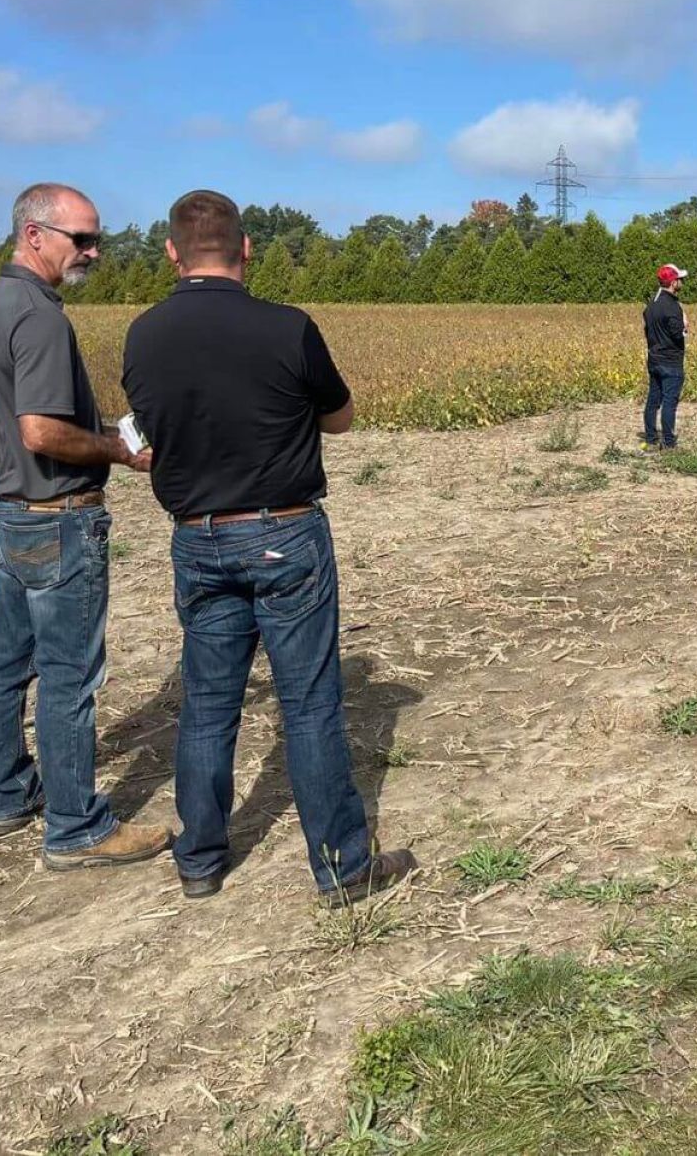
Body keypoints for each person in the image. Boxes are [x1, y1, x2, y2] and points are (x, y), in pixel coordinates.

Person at [122, 189, 415, 904]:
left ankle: (198, 858)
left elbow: (143, 432)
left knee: (208, 703)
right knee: (310, 704)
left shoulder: (144, 334)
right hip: (284, 531)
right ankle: (342, 866)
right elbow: (339, 418)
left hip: (197, 538)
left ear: (171, 252)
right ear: (246, 248)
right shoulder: (288, 328)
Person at [0, 182, 172, 871]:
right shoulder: (42, 317)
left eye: (96, 238)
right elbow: (41, 430)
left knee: (7, 661)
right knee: (67, 676)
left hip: (13, 511)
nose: (93, 251)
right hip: (58, 518)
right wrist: (118, 448)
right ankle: (76, 825)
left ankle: (3, 794)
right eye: (79, 239)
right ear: (34, 234)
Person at [642, 263, 688, 451]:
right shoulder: (673, 306)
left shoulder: (651, 305)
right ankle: (668, 443)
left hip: (654, 359)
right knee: (669, 402)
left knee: (653, 400)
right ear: (672, 282)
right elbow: (678, 334)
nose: (682, 282)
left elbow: (647, 331)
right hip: (671, 361)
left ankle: (651, 439)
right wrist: (685, 324)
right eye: (680, 279)